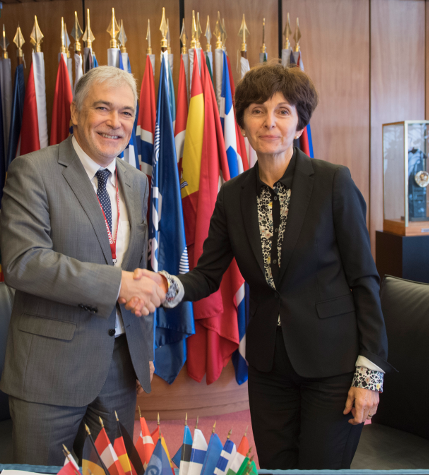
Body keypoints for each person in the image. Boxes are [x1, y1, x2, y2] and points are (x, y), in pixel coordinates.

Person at [123, 63, 394, 470]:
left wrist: (369, 375)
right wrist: (164, 286)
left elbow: (364, 280)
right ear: (243, 124)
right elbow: (207, 275)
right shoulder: (232, 195)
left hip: (332, 364)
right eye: (257, 110)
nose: (270, 122)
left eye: (283, 111)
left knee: (321, 467)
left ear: (300, 124)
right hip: (268, 366)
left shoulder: (333, 182)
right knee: (276, 467)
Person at [0, 66, 164, 465]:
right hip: (49, 371)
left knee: (114, 471)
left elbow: (132, 266)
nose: (115, 122)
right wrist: (118, 284)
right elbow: (24, 262)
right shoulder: (33, 171)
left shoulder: (135, 180)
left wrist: (142, 346)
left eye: (126, 112)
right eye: (103, 108)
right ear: (75, 112)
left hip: (118, 369)